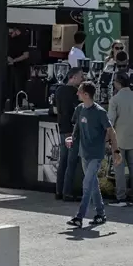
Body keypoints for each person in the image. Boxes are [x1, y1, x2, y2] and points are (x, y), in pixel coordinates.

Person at [67, 81, 118, 229]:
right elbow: (77, 126)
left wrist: (116, 151)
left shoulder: (100, 112)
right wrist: (72, 137)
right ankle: (100, 214)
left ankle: (79, 217)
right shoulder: (79, 109)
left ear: (86, 95)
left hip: (96, 154)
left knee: (87, 184)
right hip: (84, 153)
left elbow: (111, 131)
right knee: (93, 185)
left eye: (80, 91)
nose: (77, 93)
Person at [107, 71, 133, 206]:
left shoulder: (115, 100)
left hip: (119, 138)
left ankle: (121, 197)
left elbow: (110, 121)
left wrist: (107, 138)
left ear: (118, 83)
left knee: (119, 168)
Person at [54, 66, 85, 201]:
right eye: (80, 76)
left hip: (62, 128)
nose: (82, 78)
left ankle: (59, 191)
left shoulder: (59, 90)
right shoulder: (74, 92)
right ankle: (67, 192)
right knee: (71, 161)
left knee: (63, 161)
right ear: (72, 77)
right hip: (72, 129)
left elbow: (55, 109)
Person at [7, 27, 32, 95]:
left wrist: (14, 60)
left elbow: (26, 55)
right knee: (10, 88)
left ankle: (19, 103)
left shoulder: (23, 39)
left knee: (19, 87)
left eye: (11, 33)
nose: (10, 35)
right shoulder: (10, 39)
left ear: (16, 30)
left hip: (21, 67)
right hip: (11, 66)